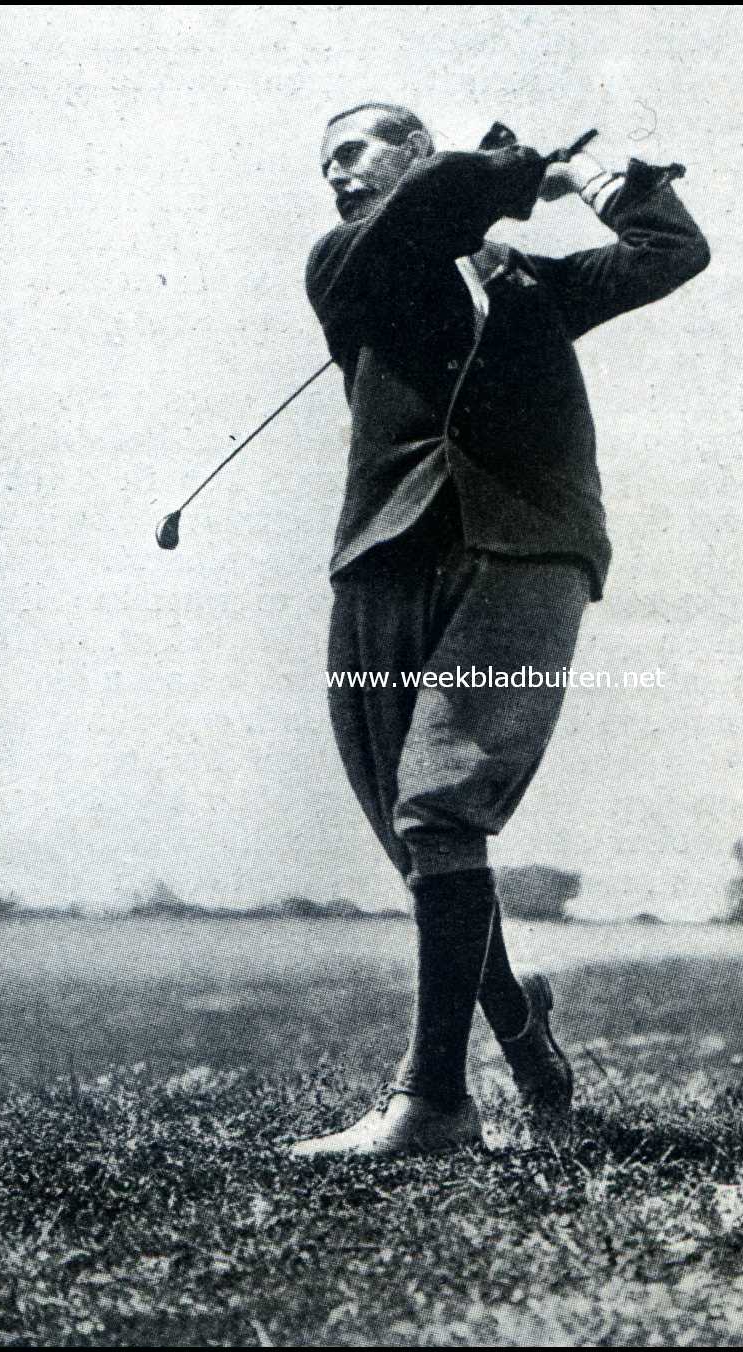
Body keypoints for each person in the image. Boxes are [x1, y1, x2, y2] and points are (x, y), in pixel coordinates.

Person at [291, 102, 709, 1158]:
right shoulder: (349, 260)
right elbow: (432, 211)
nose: (333, 173)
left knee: (440, 808)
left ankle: (434, 1101)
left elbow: (672, 250)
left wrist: (605, 169)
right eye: (322, 163)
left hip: (527, 549)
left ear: (416, 148)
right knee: (419, 840)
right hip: (382, 562)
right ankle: (524, 1033)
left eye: (352, 150)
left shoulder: (532, 287)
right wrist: (526, 170)